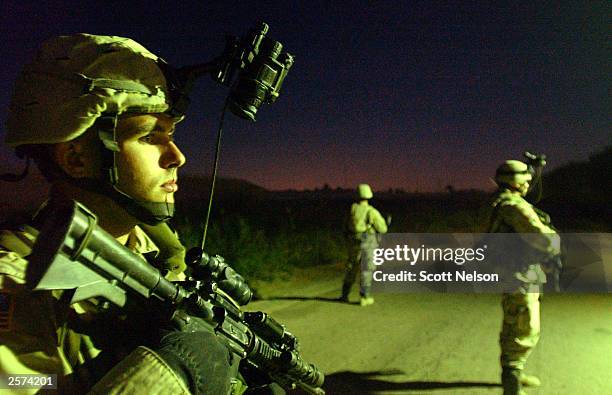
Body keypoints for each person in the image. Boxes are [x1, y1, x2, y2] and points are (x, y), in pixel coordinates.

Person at [0, 34, 244, 394]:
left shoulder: (158, 252)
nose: (177, 157)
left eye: (171, 134)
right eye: (149, 136)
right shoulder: (17, 282)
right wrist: (170, 373)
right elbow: (25, 384)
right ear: (77, 159)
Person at [488, 160, 560, 395]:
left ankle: (515, 372)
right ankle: (512, 382)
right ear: (514, 181)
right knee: (524, 325)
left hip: (514, 270)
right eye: (526, 179)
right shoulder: (513, 206)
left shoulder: (499, 201)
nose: (530, 182)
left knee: (513, 320)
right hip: (518, 273)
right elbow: (543, 238)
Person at [340, 184, 388, 306]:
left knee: (351, 266)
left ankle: (344, 294)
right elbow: (382, 228)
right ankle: (364, 296)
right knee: (367, 268)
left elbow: (345, 225)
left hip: (353, 241)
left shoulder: (352, 209)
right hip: (368, 241)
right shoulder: (371, 211)